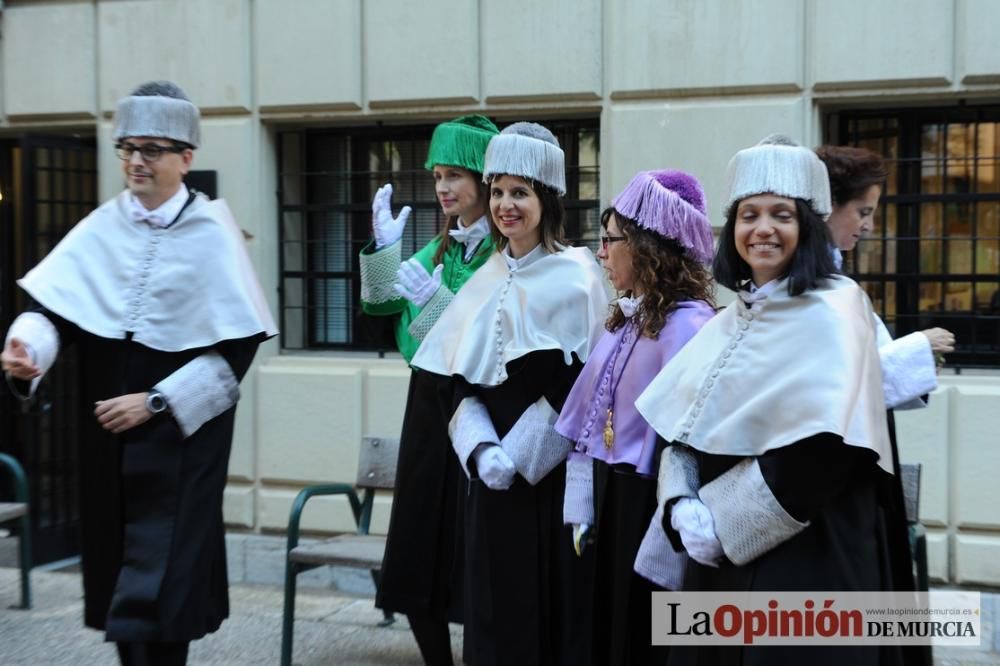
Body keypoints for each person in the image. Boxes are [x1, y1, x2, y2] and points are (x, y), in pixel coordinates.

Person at [1, 81, 276, 665]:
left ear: (186, 158)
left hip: (180, 439)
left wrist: (155, 402)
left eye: (152, 148)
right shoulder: (102, 226)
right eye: (127, 147)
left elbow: (235, 356)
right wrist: (28, 348)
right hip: (108, 433)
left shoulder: (213, 234)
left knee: (168, 587)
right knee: (118, 581)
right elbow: (54, 313)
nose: (136, 161)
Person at [636, 135, 907, 665]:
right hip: (718, 562)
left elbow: (821, 454)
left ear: (806, 226)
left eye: (781, 214)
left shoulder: (837, 307)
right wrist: (681, 504)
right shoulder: (732, 315)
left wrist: (723, 525)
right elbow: (683, 428)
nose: (762, 228)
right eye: (749, 214)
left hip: (805, 558)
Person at [411, 122, 610, 665]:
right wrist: (480, 447)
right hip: (487, 478)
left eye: (519, 192)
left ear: (546, 199)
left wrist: (519, 458)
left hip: (544, 483)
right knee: (489, 611)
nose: (504, 205)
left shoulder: (578, 275)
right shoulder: (486, 274)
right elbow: (452, 379)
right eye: (497, 191)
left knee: (539, 612)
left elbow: (583, 387)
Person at [554, 169, 716, 665]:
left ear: (647, 245)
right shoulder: (629, 315)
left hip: (646, 502)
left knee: (640, 634)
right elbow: (589, 417)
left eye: (610, 239)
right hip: (610, 492)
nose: (601, 252)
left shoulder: (690, 325)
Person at [363, 115, 499, 664]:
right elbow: (382, 307)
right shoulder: (443, 249)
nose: (442, 188)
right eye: (437, 176)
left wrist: (438, 305)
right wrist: (384, 250)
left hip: (478, 414)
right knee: (418, 547)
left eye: (454, 176)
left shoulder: (499, 253)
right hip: (426, 414)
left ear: (484, 181)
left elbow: (484, 345)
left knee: (473, 555)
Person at [816, 144, 954, 409]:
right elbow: (836, 383)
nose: (869, 226)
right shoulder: (813, 282)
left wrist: (921, 355)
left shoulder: (828, 276)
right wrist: (920, 347)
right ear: (829, 206)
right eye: (863, 212)